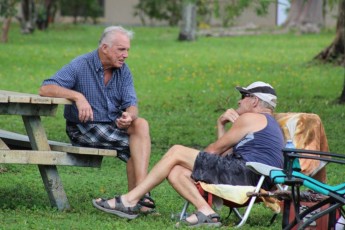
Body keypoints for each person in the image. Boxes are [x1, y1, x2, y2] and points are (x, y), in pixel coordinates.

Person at [92, 81, 285, 227]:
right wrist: (221, 125)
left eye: (243, 96)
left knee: (176, 151)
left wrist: (193, 158)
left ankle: (130, 200)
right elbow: (224, 156)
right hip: (254, 176)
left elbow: (214, 152)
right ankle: (206, 211)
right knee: (176, 171)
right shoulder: (268, 124)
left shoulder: (252, 117)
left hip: (248, 174)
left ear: (254, 100)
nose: (239, 100)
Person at [39, 26, 154, 211]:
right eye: (121, 49)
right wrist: (78, 96)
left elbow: (132, 103)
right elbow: (45, 88)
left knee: (141, 124)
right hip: (83, 128)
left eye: (127, 50)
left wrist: (129, 116)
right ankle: (141, 198)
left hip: (111, 126)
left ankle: (137, 199)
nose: (125, 55)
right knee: (137, 146)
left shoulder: (123, 70)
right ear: (105, 48)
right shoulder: (81, 64)